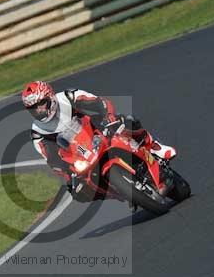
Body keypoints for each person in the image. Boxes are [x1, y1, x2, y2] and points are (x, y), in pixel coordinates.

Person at [22, 81, 176, 201]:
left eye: (41, 104)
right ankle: (121, 193)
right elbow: (53, 161)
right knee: (79, 192)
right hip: (80, 155)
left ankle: (155, 147)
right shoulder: (37, 132)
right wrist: (68, 175)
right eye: (34, 108)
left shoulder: (69, 97)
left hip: (99, 129)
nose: (39, 111)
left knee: (128, 121)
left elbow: (100, 103)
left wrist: (108, 116)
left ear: (50, 97)